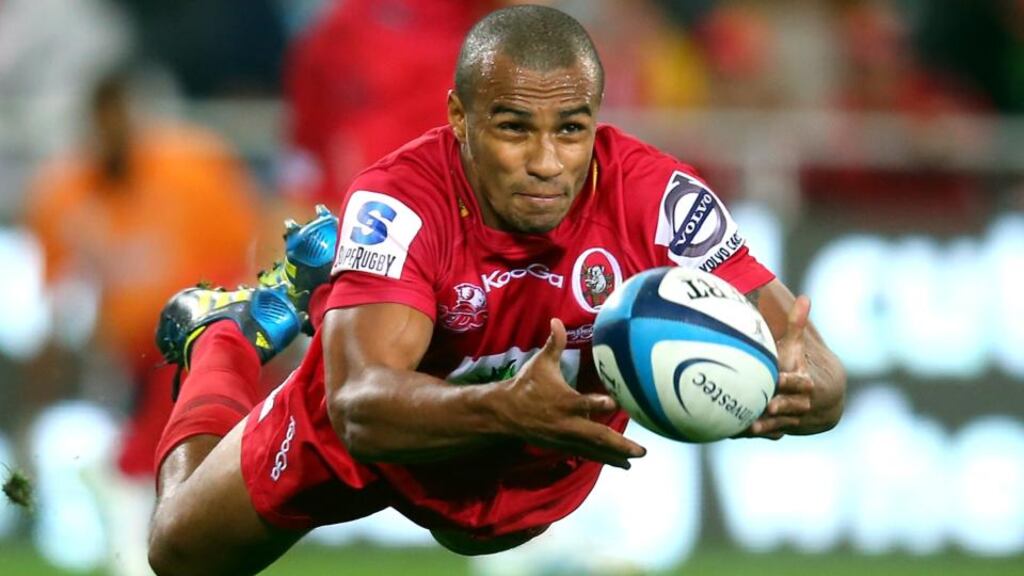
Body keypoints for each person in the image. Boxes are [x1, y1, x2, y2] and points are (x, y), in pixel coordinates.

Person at [147, 6, 846, 575]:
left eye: (570, 130)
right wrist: (503, 410)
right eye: (514, 128)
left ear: (597, 120)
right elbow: (358, 408)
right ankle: (223, 336)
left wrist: (803, 388)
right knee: (179, 554)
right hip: (391, 438)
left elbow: (816, 364)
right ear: (459, 118)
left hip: (529, 472)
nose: (546, 162)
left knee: (489, 537)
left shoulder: (659, 199)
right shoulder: (399, 203)